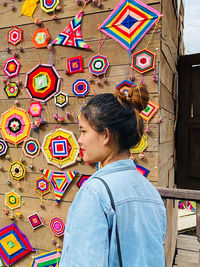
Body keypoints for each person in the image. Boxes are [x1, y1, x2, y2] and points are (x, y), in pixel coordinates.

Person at [59, 85, 166, 267]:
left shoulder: (95, 192)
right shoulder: (149, 190)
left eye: (84, 131)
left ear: (106, 135)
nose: (79, 139)